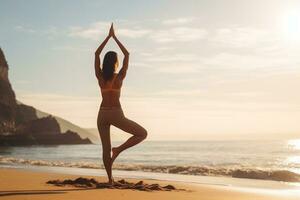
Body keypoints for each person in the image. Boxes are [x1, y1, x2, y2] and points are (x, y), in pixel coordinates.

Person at [94, 23, 147, 185]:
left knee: (105, 149)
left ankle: (110, 180)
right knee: (142, 133)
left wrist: (107, 37)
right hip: (116, 113)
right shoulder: (119, 77)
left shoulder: (100, 77)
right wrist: (115, 37)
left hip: (102, 114)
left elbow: (96, 53)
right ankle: (118, 150)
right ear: (116, 62)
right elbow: (127, 54)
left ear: (105, 62)